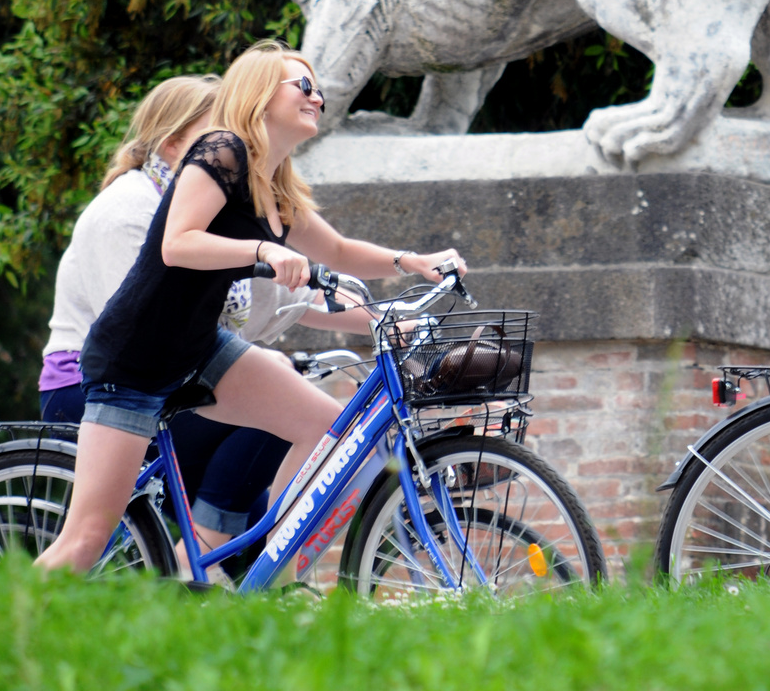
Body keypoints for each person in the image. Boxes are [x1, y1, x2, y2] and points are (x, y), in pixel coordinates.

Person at [34, 40, 463, 575]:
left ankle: (267, 564)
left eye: (319, 89)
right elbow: (178, 244)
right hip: (135, 360)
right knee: (86, 540)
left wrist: (412, 261)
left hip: (200, 348)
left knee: (327, 428)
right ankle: (5, 638)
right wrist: (261, 251)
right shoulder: (221, 152)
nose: (317, 97)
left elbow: (338, 251)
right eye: (302, 86)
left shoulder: (276, 181)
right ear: (260, 94)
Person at [36, 74, 291, 552]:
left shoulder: (212, 212)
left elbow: (277, 302)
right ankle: (202, 551)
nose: (229, 149)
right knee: (264, 422)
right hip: (88, 386)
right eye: (214, 136)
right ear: (173, 143)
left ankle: (216, 565)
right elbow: (142, 326)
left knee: (253, 529)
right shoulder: (126, 210)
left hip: (174, 368)